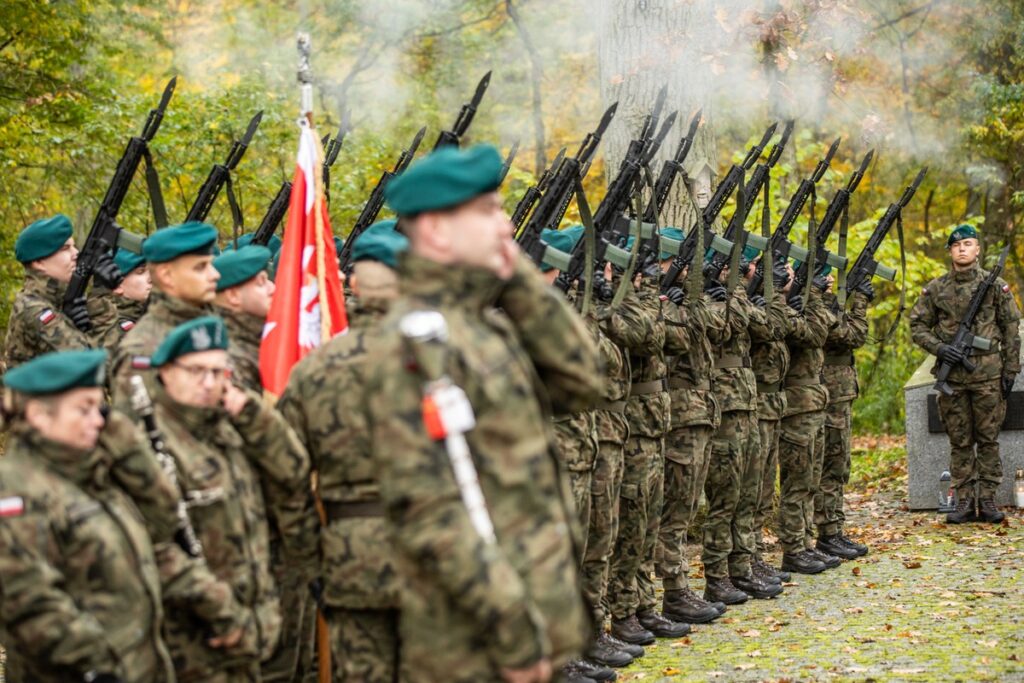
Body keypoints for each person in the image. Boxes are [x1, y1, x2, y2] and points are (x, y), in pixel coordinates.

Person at [364, 144, 602, 682]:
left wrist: (517, 278)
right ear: (438, 232)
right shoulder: (413, 342)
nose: (507, 223)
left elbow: (584, 382)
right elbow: (432, 513)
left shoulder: (483, 325)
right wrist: (513, 632)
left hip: (529, 619)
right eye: (488, 211)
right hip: (475, 642)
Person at [279, 220, 409, 682]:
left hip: (349, 554)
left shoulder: (314, 371)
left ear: (351, 284)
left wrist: (310, 557)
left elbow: (287, 476)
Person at [149, 316, 312, 681]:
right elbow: (156, 550)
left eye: (218, 372)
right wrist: (222, 612)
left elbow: (293, 468)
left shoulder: (231, 430)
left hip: (252, 628)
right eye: (196, 371)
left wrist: (252, 412)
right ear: (165, 373)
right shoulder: (150, 443)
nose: (209, 383)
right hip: (192, 637)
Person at [0, 349, 176, 682]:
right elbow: (29, 602)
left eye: (101, 409)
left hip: (139, 664)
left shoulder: (91, 472)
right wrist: (97, 667)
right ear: (38, 414)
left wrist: (124, 440)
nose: (98, 421)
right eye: (84, 409)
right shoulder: (16, 490)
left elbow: (164, 519)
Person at [910, 225, 1021, 523]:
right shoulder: (936, 289)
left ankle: (987, 500)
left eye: (968, 243)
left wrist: (1011, 370)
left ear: (977, 250)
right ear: (950, 251)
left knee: (988, 439)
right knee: (959, 441)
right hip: (954, 379)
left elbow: (1012, 329)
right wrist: (941, 349)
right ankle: (963, 500)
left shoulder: (995, 285)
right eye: (956, 245)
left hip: (988, 377)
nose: (962, 249)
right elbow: (917, 326)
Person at [110, 221, 220, 408]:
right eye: (201, 267)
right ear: (166, 276)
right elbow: (137, 429)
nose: (215, 275)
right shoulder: (142, 349)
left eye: (211, 265)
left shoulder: (211, 326)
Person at [3, 214, 111, 368]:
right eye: (65, 248)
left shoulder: (58, 300)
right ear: (39, 262)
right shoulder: (34, 310)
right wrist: (100, 292)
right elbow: (94, 366)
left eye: (73, 246)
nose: (76, 253)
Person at [815, 280, 871, 558]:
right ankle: (826, 532)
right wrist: (859, 302)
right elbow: (854, 335)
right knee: (831, 463)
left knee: (840, 464)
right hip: (830, 391)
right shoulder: (815, 305)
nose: (832, 282)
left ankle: (834, 529)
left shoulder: (828, 304)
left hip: (840, 392)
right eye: (827, 277)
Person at [212, 245, 276, 393]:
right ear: (233, 296)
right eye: (261, 282)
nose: (272, 288)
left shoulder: (256, 334)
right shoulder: (226, 355)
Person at [94, 249, 153, 352]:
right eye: (141, 272)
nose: (151, 278)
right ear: (117, 286)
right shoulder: (115, 328)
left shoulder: (144, 313)